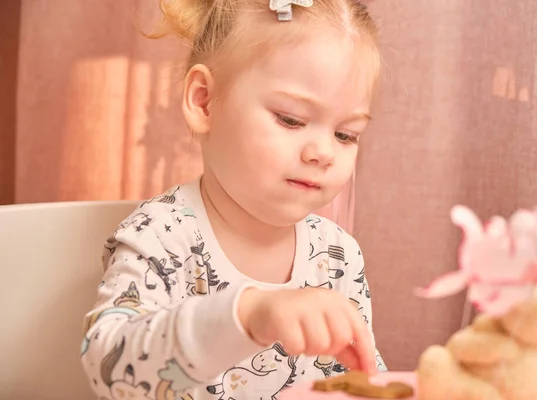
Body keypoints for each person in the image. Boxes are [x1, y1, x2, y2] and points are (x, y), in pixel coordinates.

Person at [80, 0, 386, 399]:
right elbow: (110, 368)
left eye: (345, 134)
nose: (323, 152)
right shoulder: (161, 236)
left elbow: (364, 381)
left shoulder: (337, 255)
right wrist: (245, 315)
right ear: (204, 101)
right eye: (291, 119)